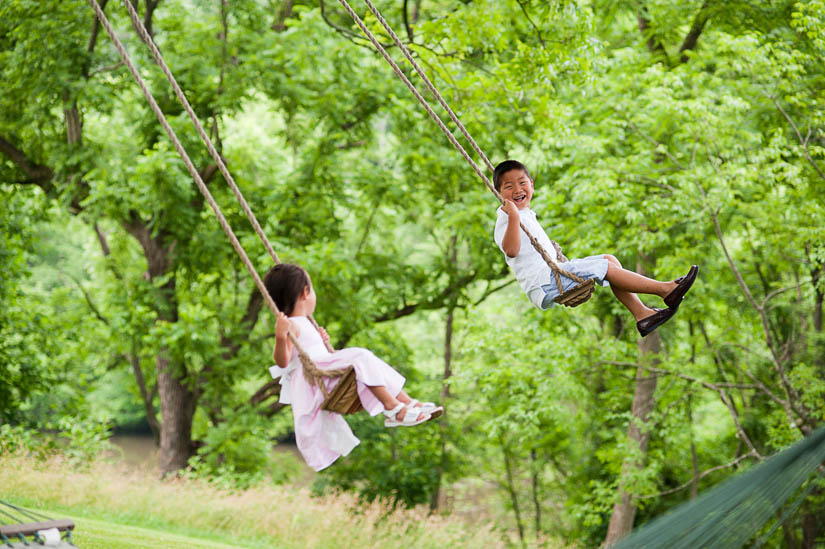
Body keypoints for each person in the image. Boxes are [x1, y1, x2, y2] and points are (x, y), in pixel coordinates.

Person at [264, 263, 443, 471]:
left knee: (369, 362)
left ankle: (407, 403)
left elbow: (315, 352)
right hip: (317, 381)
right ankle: (393, 409)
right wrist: (280, 336)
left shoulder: (305, 323)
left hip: (326, 373)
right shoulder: (290, 323)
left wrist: (322, 342)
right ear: (305, 293)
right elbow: (283, 361)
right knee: (362, 356)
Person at [493, 159, 698, 337]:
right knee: (605, 269)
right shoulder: (505, 218)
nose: (518, 190)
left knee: (609, 260)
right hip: (544, 282)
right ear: (499, 193)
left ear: (532, 185)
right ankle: (664, 289)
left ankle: (642, 315)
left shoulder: (526, 213)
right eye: (509, 187)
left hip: (552, 274)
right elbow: (511, 250)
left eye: (522, 183)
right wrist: (512, 216)